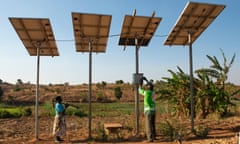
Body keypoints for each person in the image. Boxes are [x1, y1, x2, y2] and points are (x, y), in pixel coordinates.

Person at [139, 76, 156, 142]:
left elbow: (140, 90)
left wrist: (140, 84)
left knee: (148, 125)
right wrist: (146, 80)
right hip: (153, 110)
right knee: (152, 124)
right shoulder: (153, 92)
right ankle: (154, 136)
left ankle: (150, 138)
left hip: (148, 111)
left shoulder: (146, 93)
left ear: (148, 88)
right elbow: (150, 86)